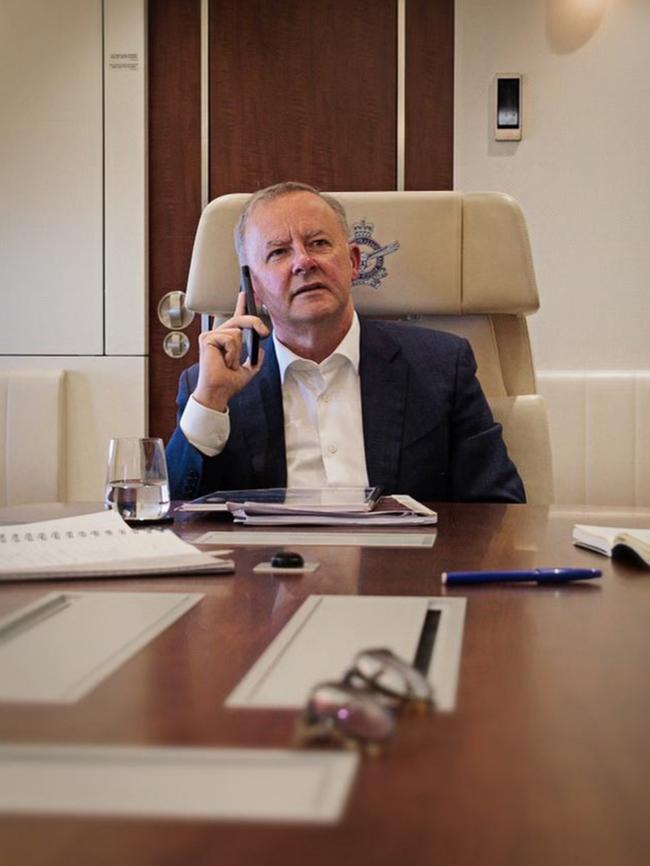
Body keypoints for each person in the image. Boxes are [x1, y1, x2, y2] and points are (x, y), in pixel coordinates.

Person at [166, 182, 525, 503]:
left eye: (318, 243)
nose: (303, 262)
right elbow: (172, 515)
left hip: (403, 571)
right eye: (278, 252)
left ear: (354, 262)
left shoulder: (442, 365)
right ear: (253, 288)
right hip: (271, 572)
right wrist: (210, 402)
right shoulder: (213, 385)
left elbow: (499, 507)